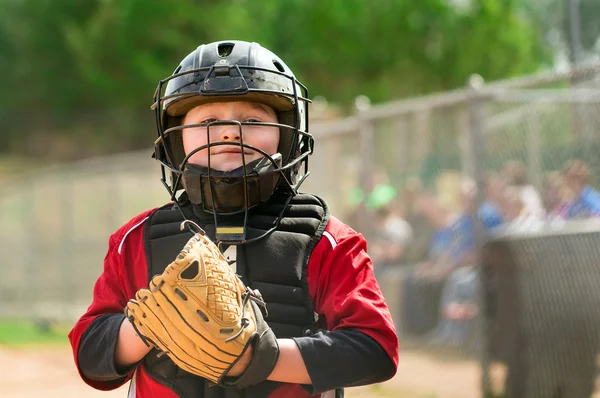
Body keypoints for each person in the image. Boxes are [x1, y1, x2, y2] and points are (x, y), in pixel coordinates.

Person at [67, 40, 399, 398]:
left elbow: (376, 350)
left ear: (287, 135)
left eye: (252, 120)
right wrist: (150, 328)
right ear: (175, 141)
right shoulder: (136, 239)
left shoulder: (328, 240)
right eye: (208, 120)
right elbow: (91, 359)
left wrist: (264, 359)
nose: (229, 132)